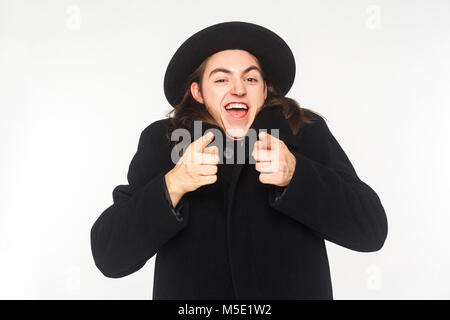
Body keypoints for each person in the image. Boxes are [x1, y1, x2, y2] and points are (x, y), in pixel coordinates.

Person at [90, 21, 388, 300]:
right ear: (198, 92)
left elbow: (370, 231)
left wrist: (298, 176)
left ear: (263, 89)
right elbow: (110, 256)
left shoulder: (303, 132)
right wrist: (173, 185)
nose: (238, 88)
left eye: (250, 77)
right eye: (221, 78)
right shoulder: (164, 141)